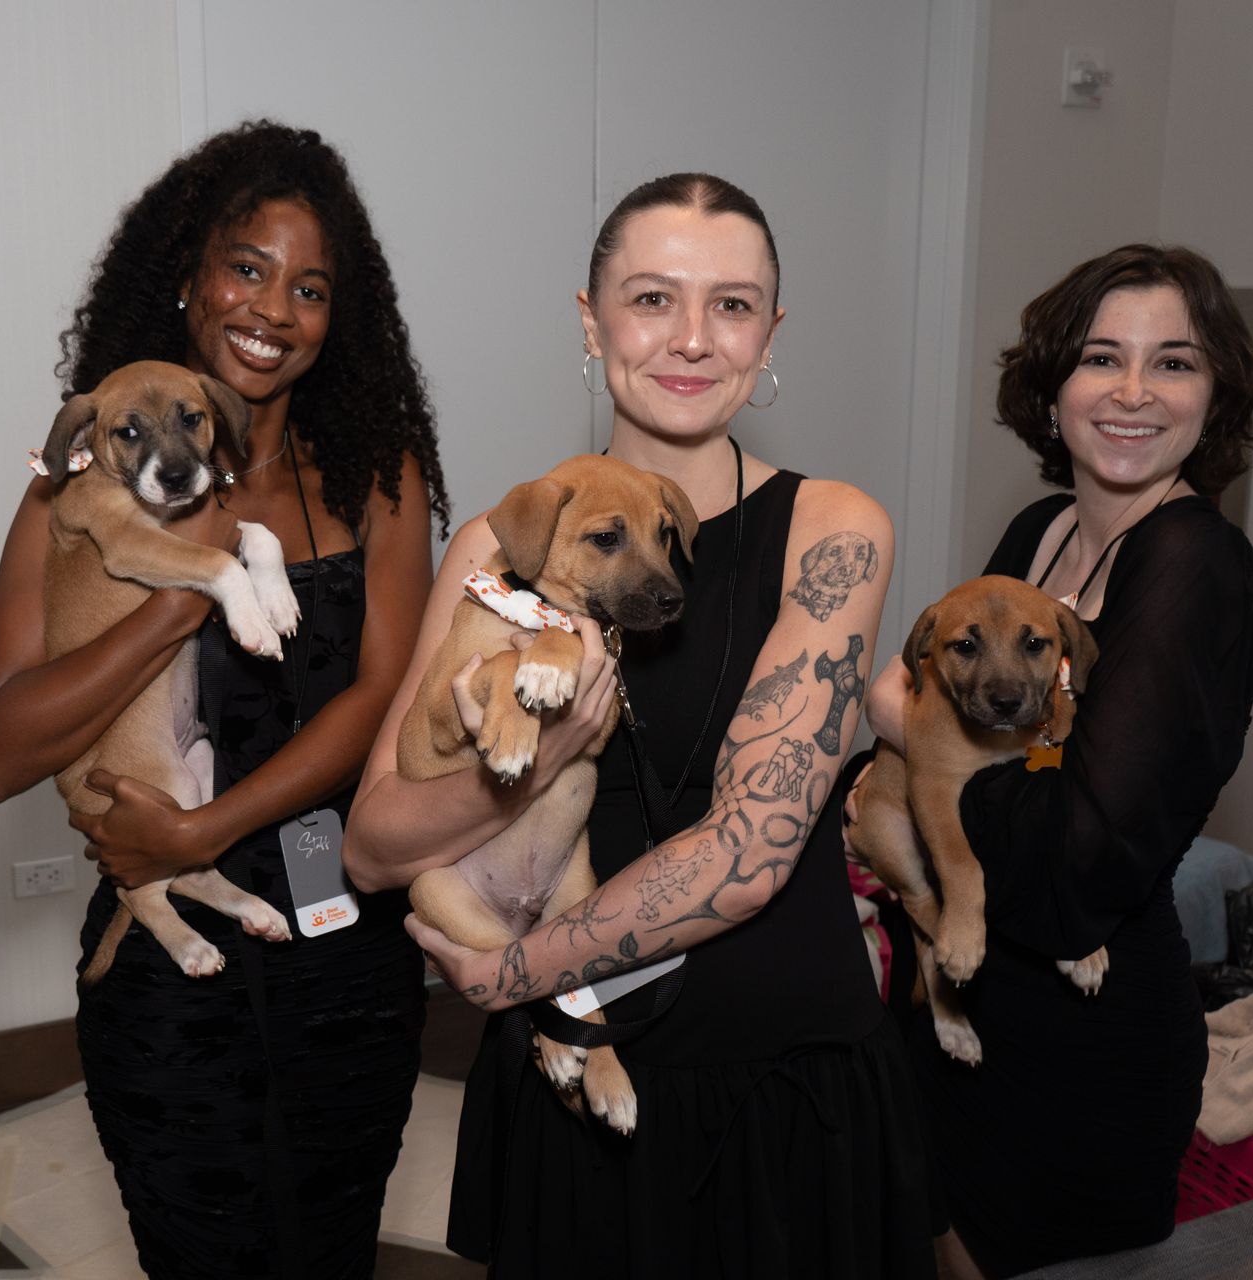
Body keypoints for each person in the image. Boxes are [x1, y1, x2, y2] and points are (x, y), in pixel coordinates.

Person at [347, 173, 937, 1277]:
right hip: (574, 1078)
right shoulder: (495, 549)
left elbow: (751, 853)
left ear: (770, 332)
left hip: (784, 1083)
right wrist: (536, 762)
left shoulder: (830, 528)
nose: (693, 338)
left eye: (732, 304)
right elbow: (373, 847)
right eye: (654, 297)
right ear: (592, 320)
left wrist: (515, 977)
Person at [0, 120, 449, 1279]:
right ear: (187, 277)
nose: (274, 308)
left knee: (332, 1254)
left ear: (339, 317)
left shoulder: (375, 474)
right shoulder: (77, 487)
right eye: (247, 267)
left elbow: (382, 695)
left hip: (349, 947)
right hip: (169, 970)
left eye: (310, 288)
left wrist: (205, 827)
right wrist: (179, 600)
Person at [863, 244, 1253, 1276]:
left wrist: (903, 728)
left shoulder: (1193, 561)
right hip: (967, 999)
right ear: (1053, 390)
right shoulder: (1040, 532)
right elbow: (975, 712)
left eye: (1173, 362)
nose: (1132, 391)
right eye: (1100, 358)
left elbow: (1084, 853)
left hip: (1083, 1040)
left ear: (1215, 393)